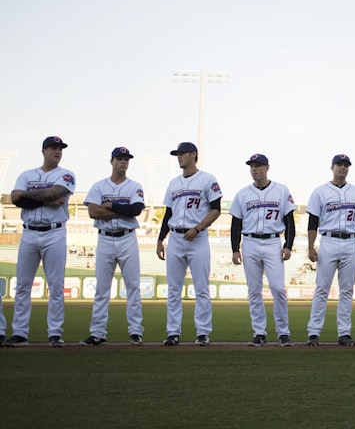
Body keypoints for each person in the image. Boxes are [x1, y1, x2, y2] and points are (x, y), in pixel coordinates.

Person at [6, 136, 76, 348]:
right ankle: (20, 333)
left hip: (54, 232)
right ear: (44, 151)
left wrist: (30, 196)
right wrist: (45, 199)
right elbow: (15, 198)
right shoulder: (26, 174)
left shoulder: (66, 174)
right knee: (23, 285)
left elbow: (53, 192)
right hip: (29, 233)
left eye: (60, 148)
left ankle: (55, 332)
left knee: (56, 285)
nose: (57, 151)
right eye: (53, 148)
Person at [157, 142, 222, 346]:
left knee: (201, 288)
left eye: (183, 154)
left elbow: (216, 209)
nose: (179, 157)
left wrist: (199, 228)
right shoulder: (173, 183)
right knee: (174, 289)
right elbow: (169, 213)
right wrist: (160, 239)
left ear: (193, 155)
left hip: (198, 238)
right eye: (177, 154)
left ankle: (202, 332)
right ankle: (173, 332)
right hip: (175, 237)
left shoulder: (207, 179)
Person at [80, 147, 146, 346]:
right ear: (112, 161)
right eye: (119, 159)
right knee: (102, 288)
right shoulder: (99, 186)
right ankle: (97, 333)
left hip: (127, 238)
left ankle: (135, 331)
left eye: (126, 159)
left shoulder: (134, 186)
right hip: (105, 239)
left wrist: (111, 206)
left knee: (133, 286)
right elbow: (94, 213)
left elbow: (136, 209)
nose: (123, 162)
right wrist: (121, 212)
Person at [229, 153, 296, 347]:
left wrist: (288, 245)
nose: (254, 169)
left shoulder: (281, 190)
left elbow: (289, 220)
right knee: (254, 290)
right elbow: (236, 223)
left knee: (277, 288)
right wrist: (235, 249)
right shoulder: (243, 193)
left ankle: (283, 332)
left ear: (267, 168)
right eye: (252, 166)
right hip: (249, 242)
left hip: (272, 242)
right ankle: (259, 332)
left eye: (258, 165)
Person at [306, 154, 355, 346]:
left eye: (346, 165)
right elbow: (312, 222)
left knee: (347, 290)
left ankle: (344, 333)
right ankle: (313, 332)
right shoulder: (320, 191)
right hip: (329, 240)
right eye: (339, 165)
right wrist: (310, 246)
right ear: (332, 167)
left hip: (351, 241)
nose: (342, 168)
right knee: (322, 289)